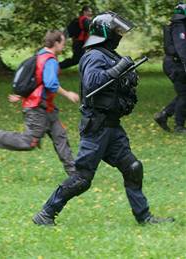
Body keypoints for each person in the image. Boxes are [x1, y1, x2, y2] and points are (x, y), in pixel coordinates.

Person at [32, 11, 175, 226]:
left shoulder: (108, 54)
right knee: (82, 179)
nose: (120, 36)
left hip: (112, 126)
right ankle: (46, 213)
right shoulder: (93, 55)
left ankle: (144, 217)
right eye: (116, 31)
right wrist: (118, 69)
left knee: (133, 168)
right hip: (96, 127)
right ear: (105, 33)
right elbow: (92, 84)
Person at [0, 30, 80, 177]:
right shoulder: (49, 60)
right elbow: (50, 84)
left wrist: (22, 94)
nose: (64, 47)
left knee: (60, 135)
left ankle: (74, 173)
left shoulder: (40, 55)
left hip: (47, 107)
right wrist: (68, 94)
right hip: (38, 108)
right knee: (29, 142)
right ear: (56, 43)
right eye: (63, 43)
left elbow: (35, 79)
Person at [154, 3, 186, 134]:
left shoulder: (176, 25)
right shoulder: (179, 27)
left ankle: (164, 115)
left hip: (174, 63)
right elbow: (181, 48)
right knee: (184, 95)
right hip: (175, 65)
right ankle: (179, 126)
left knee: (183, 94)